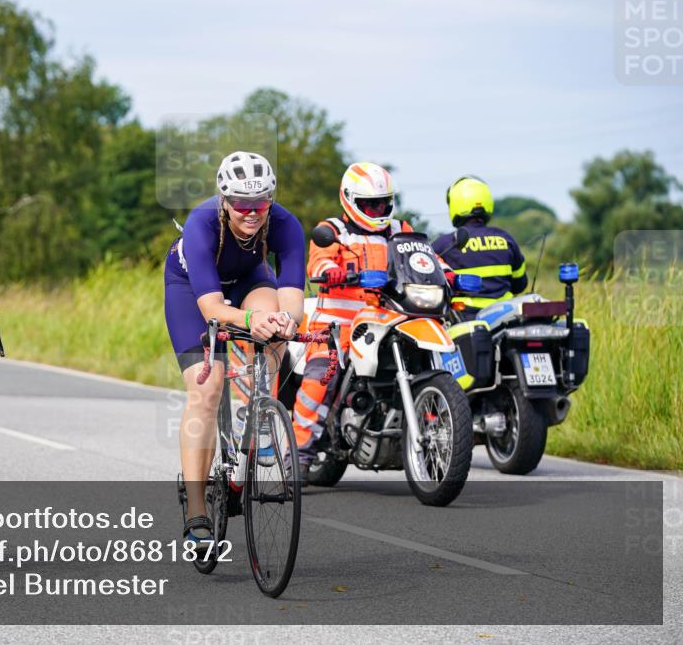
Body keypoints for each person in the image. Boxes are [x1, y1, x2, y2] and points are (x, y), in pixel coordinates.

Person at [164, 151, 305, 547]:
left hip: (248, 279)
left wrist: (285, 321)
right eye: (241, 203)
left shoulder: (286, 225)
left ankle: (259, 414)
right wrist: (246, 322)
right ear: (224, 199)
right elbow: (211, 308)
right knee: (207, 391)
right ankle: (195, 511)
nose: (251, 212)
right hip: (192, 290)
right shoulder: (201, 223)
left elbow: (293, 299)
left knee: (276, 324)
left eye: (260, 203)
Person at [294, 162, 436, 477]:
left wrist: (446, 270)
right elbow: (319, 262)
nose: (377, 209)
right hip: (336, 325)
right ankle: (299, 455)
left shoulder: (402, 231)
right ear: (349, 199)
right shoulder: (333, 230)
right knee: (322, 376)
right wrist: (332, 271)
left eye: (383, 203)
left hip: (390, 319)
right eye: (369, 204)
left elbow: (425, 257)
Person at [433, 175, 527, 320]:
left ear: (455, 205)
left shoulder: (445, 243)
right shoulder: (505, 238)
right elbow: (520, 284)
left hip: (464, 319)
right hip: (506, 319)